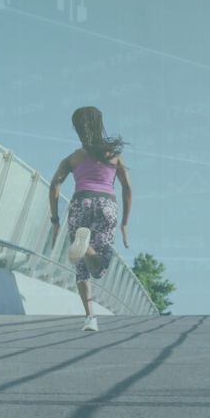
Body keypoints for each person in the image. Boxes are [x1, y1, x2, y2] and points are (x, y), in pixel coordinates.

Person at [48, 106, 132, 332]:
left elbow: (55, 183)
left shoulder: (74, 157)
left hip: (80, 203)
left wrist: (55, 220)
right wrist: (124, 223)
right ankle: (88, 250)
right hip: (106, 204)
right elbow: (127, 187)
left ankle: (90, 318)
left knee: (82, 270)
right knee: (100, 268)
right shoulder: (113, 155)